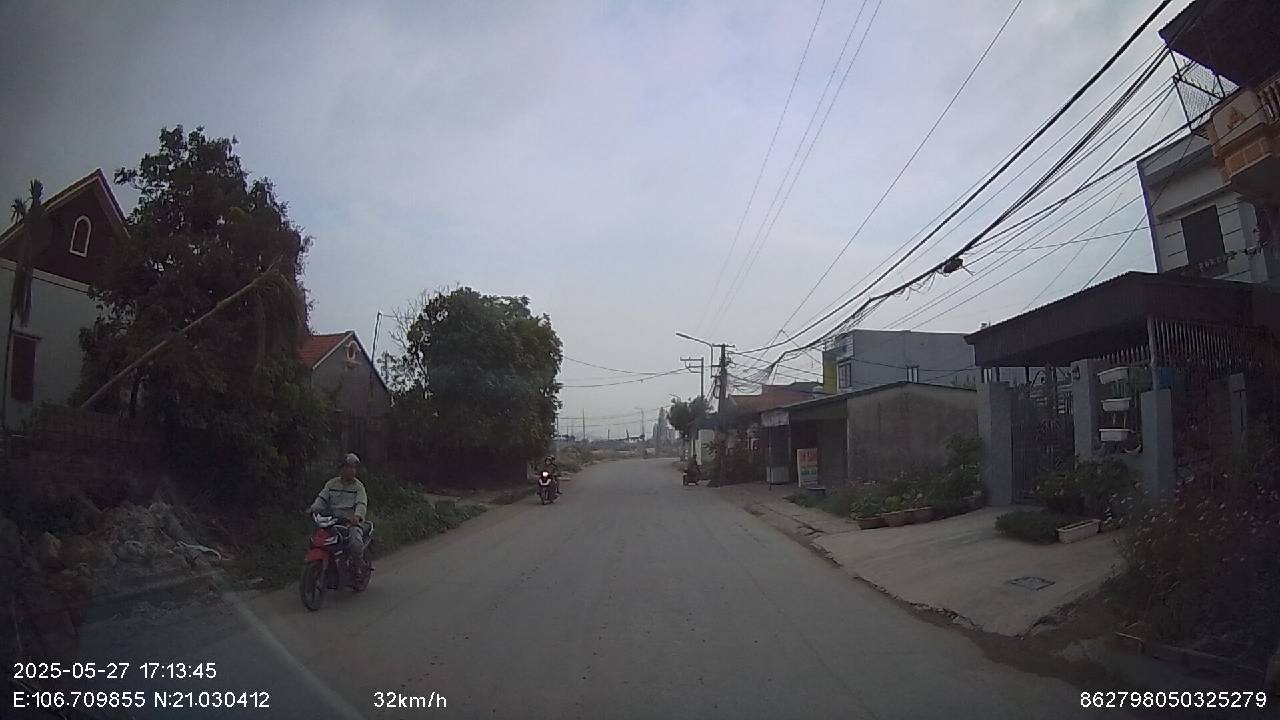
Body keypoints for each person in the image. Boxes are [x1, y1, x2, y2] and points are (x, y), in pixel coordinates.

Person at [310, 453, 371, 571]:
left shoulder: (358, 487)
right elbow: (322, 499)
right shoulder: (331, 484)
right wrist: (313, 508)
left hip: (350, 522)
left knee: (355, 543)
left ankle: (359, 565)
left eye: (354, 467)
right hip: (332, 521)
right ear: (341, 469)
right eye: (349, 467)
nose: (352, 470)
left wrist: (357, 516)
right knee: (317, 539)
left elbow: (361, 503)